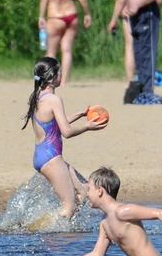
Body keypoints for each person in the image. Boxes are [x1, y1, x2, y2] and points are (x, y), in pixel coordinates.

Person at [45, 167, 162, 256]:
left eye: (89, 189)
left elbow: (161, 212)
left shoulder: (122, 211)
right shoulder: (104, 224)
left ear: (100, 191)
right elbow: (97, 255)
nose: (87, 194)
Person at [23, 57, 107, 219]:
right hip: (52, 158)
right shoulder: (54, 100)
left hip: (43, 156)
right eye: (60, 71)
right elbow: (66, 132)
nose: (62, 74)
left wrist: (80, 115)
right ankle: (51, 234)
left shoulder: (38, 97)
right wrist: (87, 127)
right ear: (53, 77)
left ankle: (67, 231)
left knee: (82, 191)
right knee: (69, 207)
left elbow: (53, 126)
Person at [37, 0, 92, 87]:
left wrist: (41, 15)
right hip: (71, 14)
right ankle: (64, 81)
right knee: (67, 49)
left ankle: (50, 79)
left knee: (51, 50)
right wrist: (87, 13)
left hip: (55, 15)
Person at [120, 0, 162, 95]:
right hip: (137, 16)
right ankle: (142, 89)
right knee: (138, 52)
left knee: (147, 52)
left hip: (147, 14)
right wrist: (128, 7)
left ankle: (148, 91)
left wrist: (136, 5)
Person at [107, 0, 136, 90]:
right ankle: (140, 78)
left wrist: (113, 19)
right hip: (142, 15)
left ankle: (130, 80)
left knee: (130, 47)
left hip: (129, 14)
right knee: (138, 47)